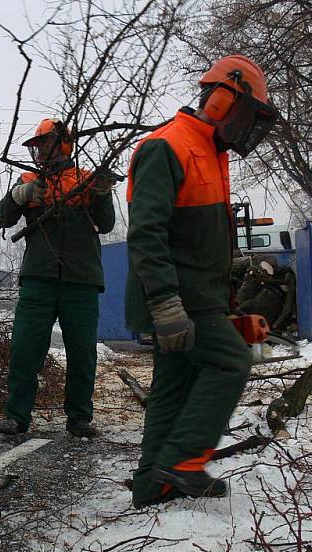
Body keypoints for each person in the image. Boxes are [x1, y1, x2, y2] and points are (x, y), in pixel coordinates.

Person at [125, 55, 277, 507]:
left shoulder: (210, 152)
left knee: (173, 385)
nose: (248, 127)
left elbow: (202, 240)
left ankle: (153, 485)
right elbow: (146, 232)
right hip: (177, 297)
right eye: (248, 114)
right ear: (221, 99)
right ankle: (185, 460)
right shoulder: (167, 146)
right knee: (231, 360)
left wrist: (227, 302)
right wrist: (166, 304)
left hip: (200, 296)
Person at [0, 118, 116, 437]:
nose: (39, 152)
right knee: (25, 348)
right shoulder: (31, 180)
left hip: (81, 279)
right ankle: (17, 416)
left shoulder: (88, 181)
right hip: (39, 278)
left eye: (43, 144)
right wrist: (20, 195)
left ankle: (79, 417)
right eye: (37, 146)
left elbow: (105, 225)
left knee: (82, 351)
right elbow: (1, 218)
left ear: (61, 144)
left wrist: (102, 194)